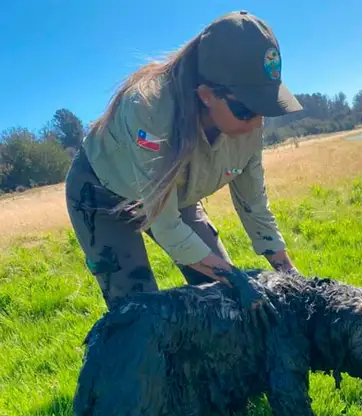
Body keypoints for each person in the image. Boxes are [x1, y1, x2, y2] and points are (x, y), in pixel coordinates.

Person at [65, 10, 302, 315]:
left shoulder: (246, 123)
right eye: (246, 109)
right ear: (206, 95)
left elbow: (254, 205)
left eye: (265, 107)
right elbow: (167, 226)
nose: (257, 123)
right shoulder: (149, 110)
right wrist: (242, 282)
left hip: (173, 195)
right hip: (101, 193)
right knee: (137, 314)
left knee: (223, 299)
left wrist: (292, 278)